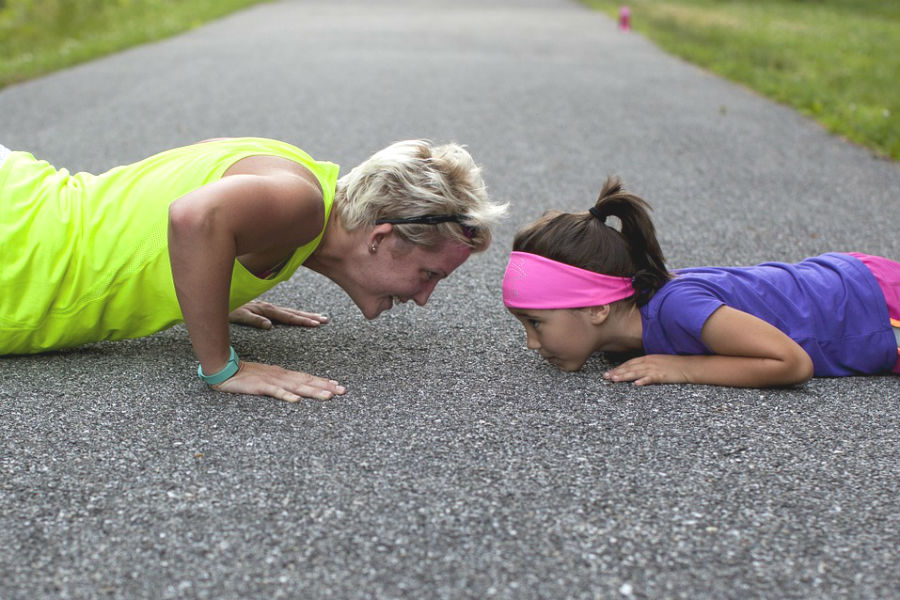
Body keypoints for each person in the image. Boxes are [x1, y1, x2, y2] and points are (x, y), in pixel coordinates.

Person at [0, 137, 507, 401]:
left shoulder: (300, 187)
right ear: (381, 238)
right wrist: (223, 366)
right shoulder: (301, 204)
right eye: (429, 274)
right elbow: (194, 216)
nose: (424, 298)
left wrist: (209, 287)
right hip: (17, 248)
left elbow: (166, 208)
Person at [502, 176, 900, 388]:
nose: (531, 343)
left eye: (536, 322)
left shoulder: (677, 307)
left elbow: (791, 363)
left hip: (875, 305)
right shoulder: (623, 333)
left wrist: (684, 368)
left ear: (597, 307)